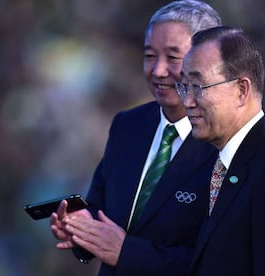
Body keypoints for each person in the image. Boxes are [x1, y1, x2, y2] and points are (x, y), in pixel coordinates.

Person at [50, 1, 221, 275]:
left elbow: (221, 262)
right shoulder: (128, 125)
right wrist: (81, 229)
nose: (158, 71)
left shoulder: (227, 144)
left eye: (173, 57)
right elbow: (101, 209)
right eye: (150, 55)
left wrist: (126, 252)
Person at [177, 26, 265, 276]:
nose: (187, 101)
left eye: (198, 86)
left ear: (242, 90)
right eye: (184, 86)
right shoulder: (216, 159)